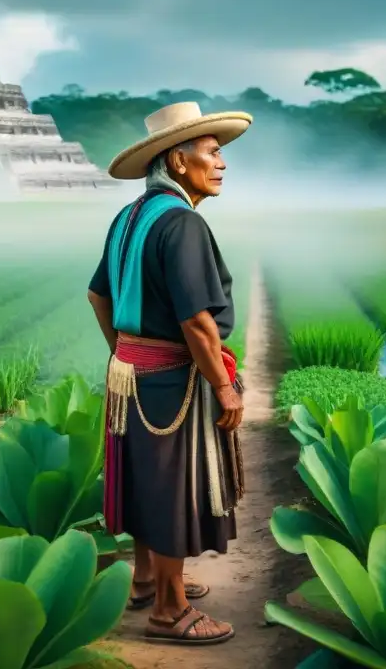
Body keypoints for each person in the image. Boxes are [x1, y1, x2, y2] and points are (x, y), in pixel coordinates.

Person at [87, 102, 251, 645]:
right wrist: (223, 386)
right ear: (179, 162)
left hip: (128, 376)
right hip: (167, 382)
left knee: (143, 479)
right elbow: (198, 321)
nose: (222, 161)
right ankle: (169, 608)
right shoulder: (182, 223)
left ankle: (143, 578)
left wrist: (126, 354)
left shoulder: (130, 217)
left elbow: (96, 293)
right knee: (170, 489)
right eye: (212, 150)